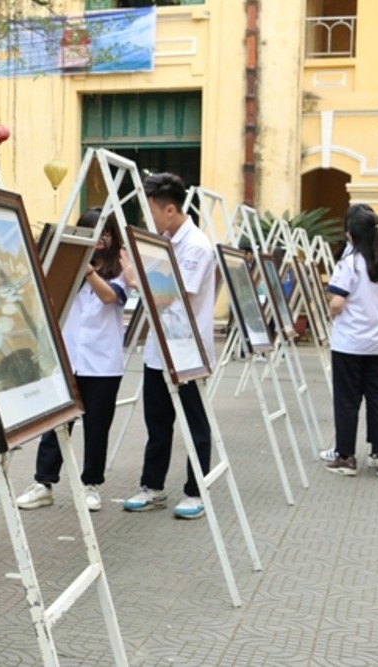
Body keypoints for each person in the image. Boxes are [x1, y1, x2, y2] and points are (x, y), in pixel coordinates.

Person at [17, 209, 134, 513]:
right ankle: (43, 483)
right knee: (57, 422)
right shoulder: (65, 264)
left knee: (97, 426)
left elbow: (111, 297)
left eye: (106, 232)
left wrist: (88, 271)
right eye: (93, 231)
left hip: (102, 362)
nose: (100, 238)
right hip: (67, 357)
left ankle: (91, 484)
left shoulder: (120, 266)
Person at [123, 172, 216, 520]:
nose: (147, 218)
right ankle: (153, 486)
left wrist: (133, 279)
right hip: (159, 349)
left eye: (150, 210)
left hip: (187, 350)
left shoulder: (196, 246)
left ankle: (196, 490)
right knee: (157, 421)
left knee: (194, 423)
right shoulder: (162, 239)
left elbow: (169, 297)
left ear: (171, 210)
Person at [323, 203, 378, 478]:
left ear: (351, 236)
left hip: (350, 343)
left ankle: (346, 456)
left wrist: (329, 310)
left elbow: (337, 303)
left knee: (348, 400)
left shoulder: (350, 264)